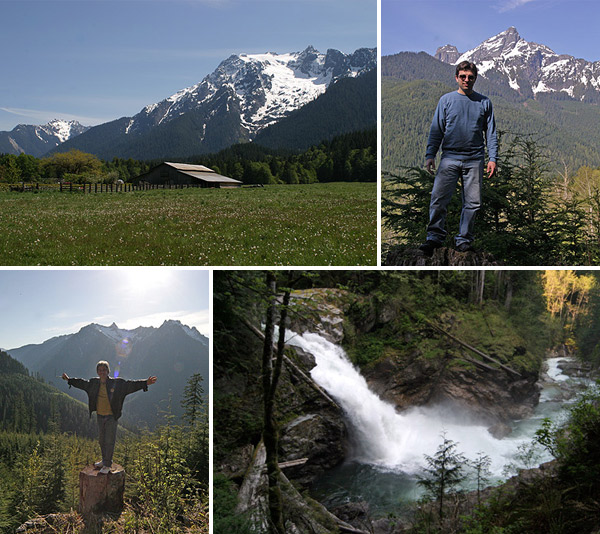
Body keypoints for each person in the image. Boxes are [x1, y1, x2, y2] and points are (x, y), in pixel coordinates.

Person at [419, 60, 498, 256]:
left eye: (470, 77)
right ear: (456, 78)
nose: (466, 80)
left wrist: (493, 158)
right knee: (439, 199)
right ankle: (434, 238)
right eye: (463, 76)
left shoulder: (484, 102)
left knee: (473, 203)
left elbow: (491, 134)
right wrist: (430, 154)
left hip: (475, 159)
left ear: (475, 79)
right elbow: (436, 129)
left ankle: (464, 240)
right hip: (449, 158)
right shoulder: (446, 101)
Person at [62, 361, 157, 474]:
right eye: (100, 370)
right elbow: (81, 383)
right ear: (97, 372)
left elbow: (130, 385)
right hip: (100, 416)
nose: (102, 372)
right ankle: (104, 460)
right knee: (102, 440)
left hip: (111, 416)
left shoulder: (117, 384)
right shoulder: (93, 383)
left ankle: (107, 464)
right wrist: (69, 380)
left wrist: (145, 382)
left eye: (104, 370)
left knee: (109, 440)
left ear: (108, 371)